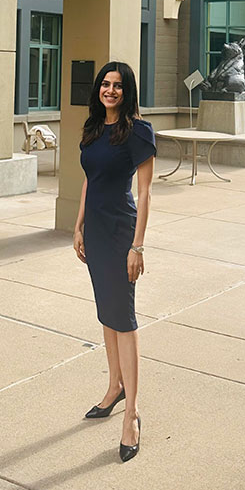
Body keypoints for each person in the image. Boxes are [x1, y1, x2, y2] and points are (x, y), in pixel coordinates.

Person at [73, 61, 155, 463]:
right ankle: (114, 387)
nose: (110, 90)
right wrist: (78, 225)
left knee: (124, 319)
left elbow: (145, 194)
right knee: (107, 315)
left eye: (117, 86)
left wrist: (137, 247)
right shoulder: (92, 129)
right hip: (96, 234)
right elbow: (89, 180)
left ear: (127, 91)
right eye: (105, 84)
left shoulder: (137, 132)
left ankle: (132, 414)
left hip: (122, 234)